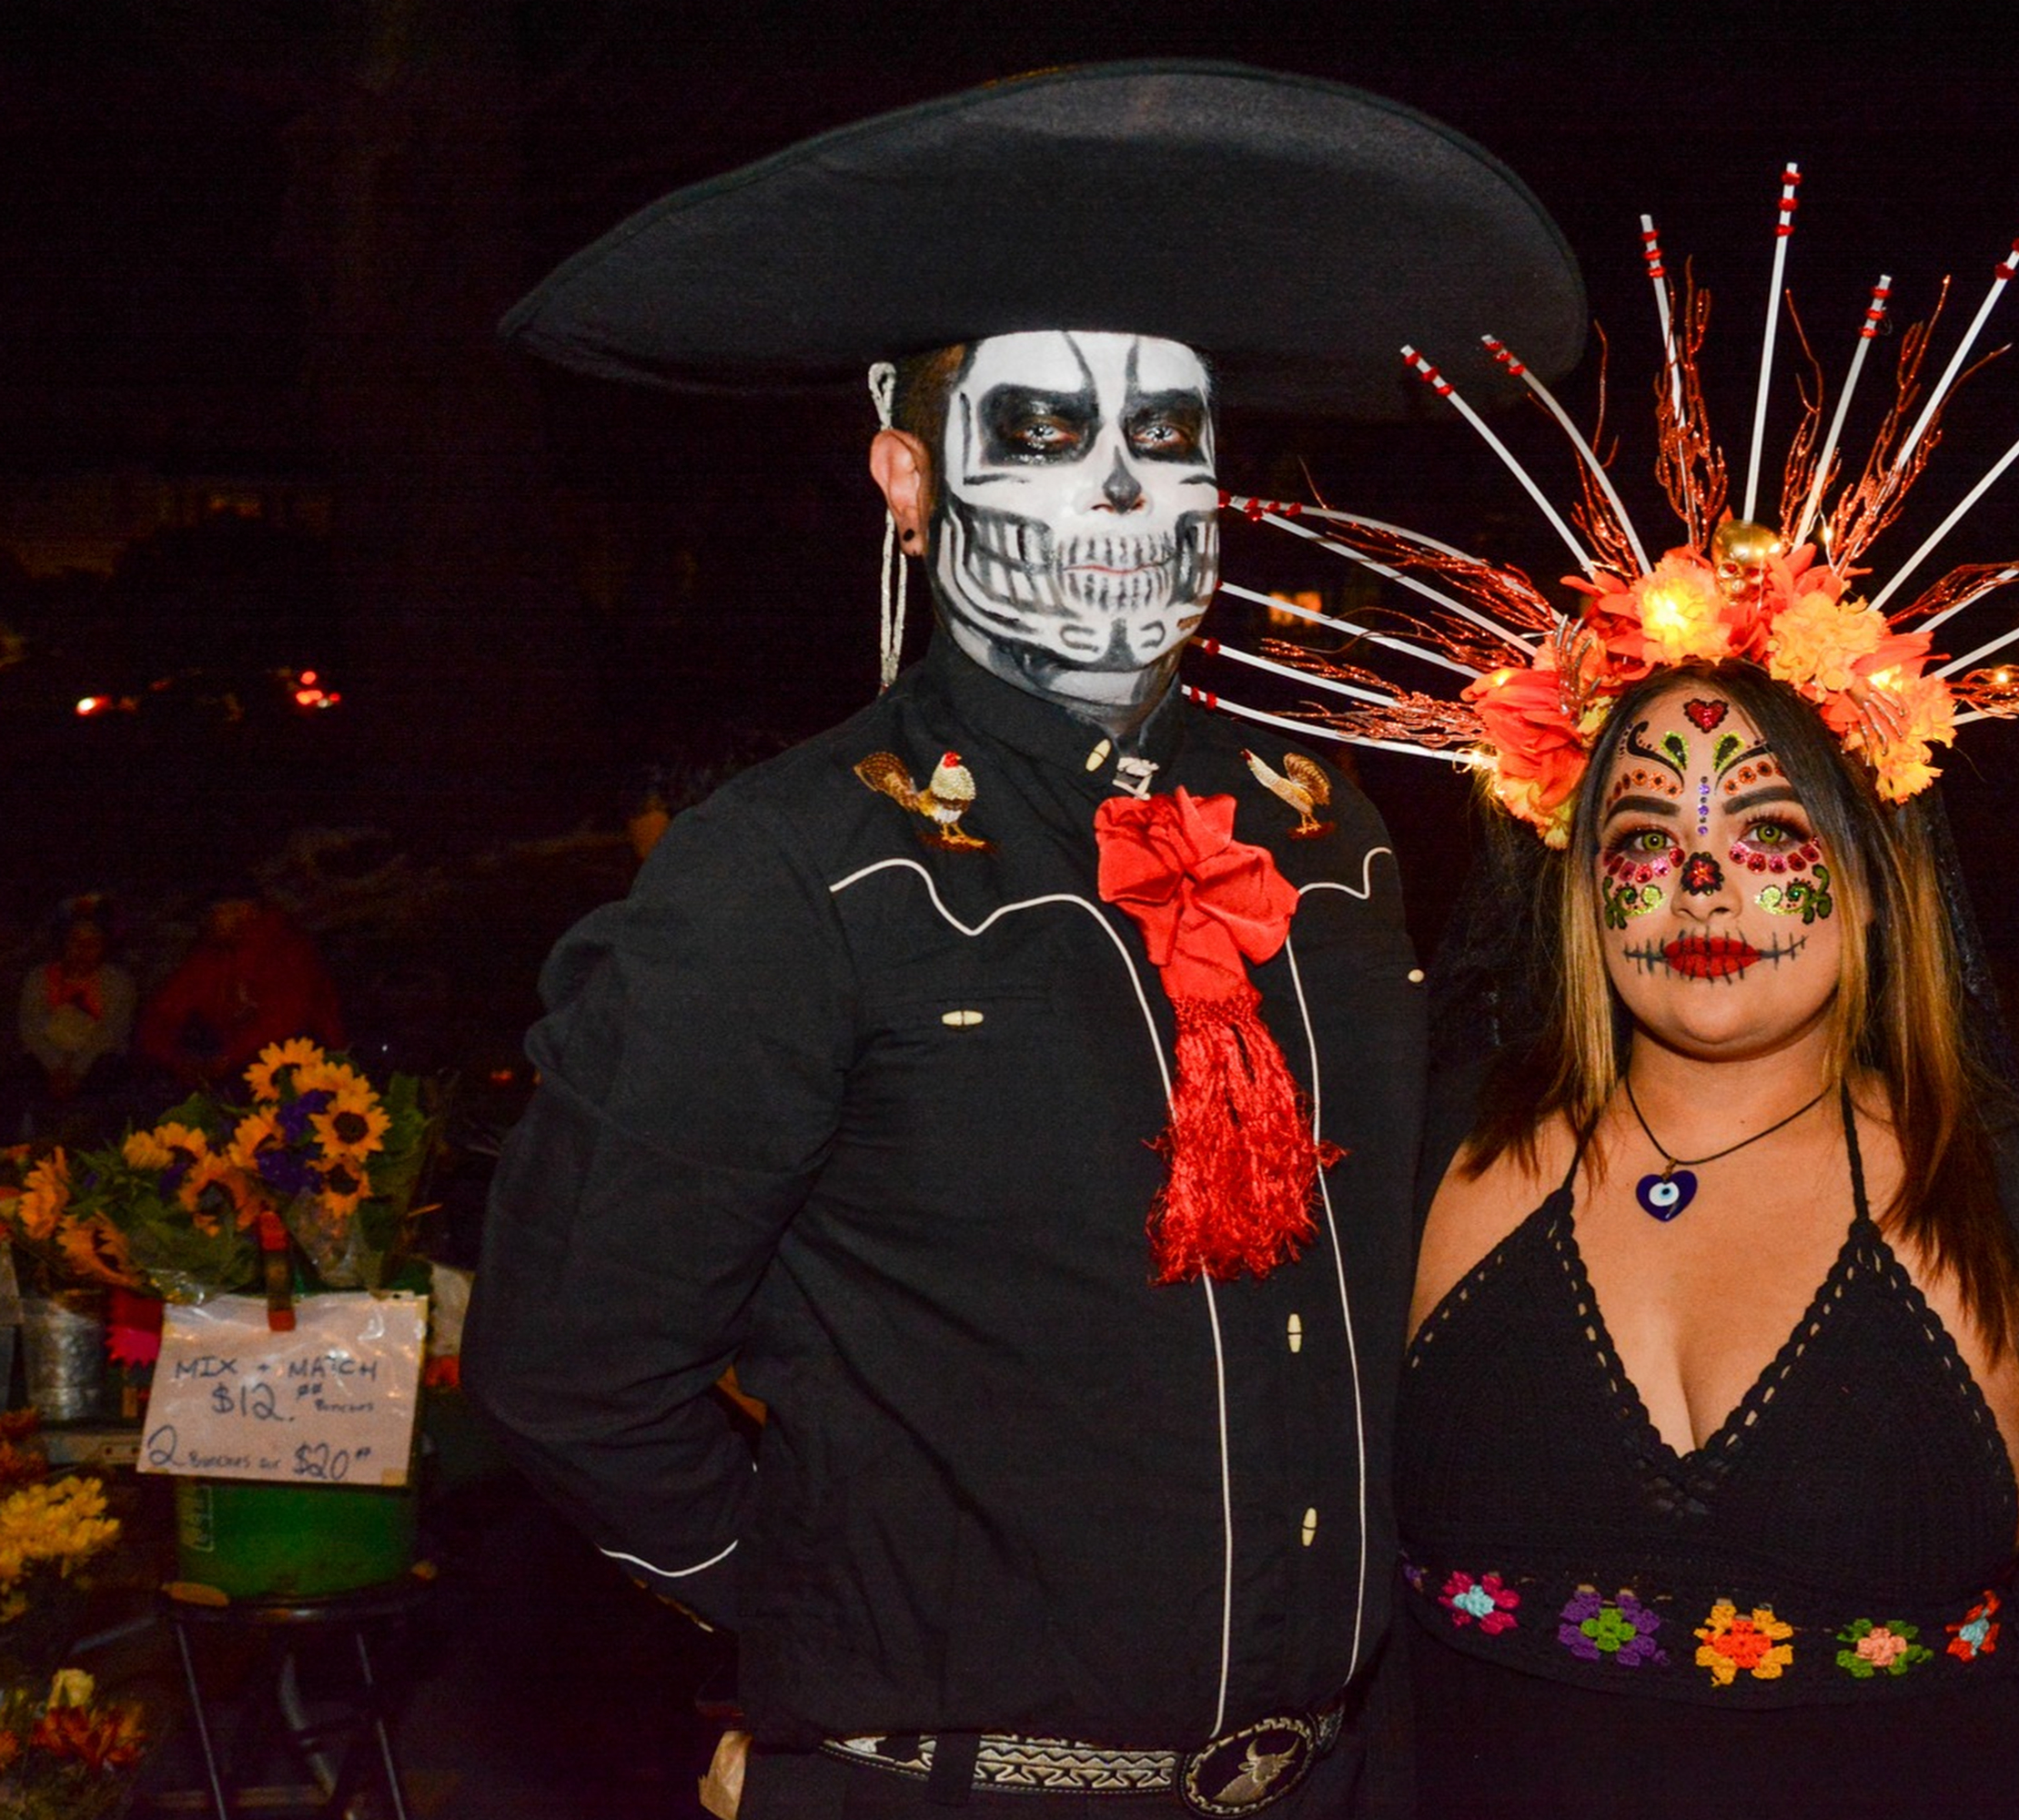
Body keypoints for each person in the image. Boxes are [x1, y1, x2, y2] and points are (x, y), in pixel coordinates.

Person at [463, 62, 1583, 1820]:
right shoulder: (792, 874)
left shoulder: (1331, 840)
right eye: (1050, 436)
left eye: (1172, 437)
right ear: (908, 478)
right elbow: (572, 1370)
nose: (1129, 493)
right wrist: (827, 1627)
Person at [1398, 664, 2019, 1816]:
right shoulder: (1439, 1156)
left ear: (1874, 879)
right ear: (1581, 889)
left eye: (1771, 827)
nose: (1703, 885)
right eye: (1643, 834)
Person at [134, 891, 343, 1092]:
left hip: (310, 1064)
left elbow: (287, 1018)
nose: (205, 921)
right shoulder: (208, 958)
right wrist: (176, 1061)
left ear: (243, 910)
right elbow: (163, 1012)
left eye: (212, 912)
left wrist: (227, 1058)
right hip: (241, 1071)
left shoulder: (287, 948)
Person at [14, 901, 136, 1138]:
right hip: (48, 1061)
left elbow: (111, 1032)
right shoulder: (39, 979)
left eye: (93, 943)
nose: (83, 949)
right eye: (75, 941)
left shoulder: (118, 983)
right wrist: (56, 1067)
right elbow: (30, 1028)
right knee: (20, 1076)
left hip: (96, 1061)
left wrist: (78, 1070)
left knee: (111, 1073)